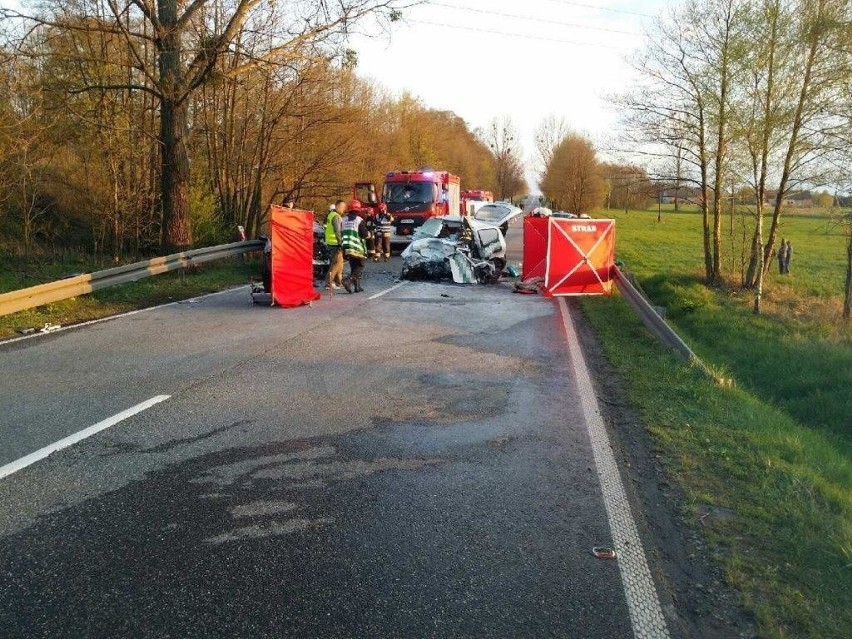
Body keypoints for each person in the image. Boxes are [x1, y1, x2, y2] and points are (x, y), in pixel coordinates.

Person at [341, 201, 369, 293]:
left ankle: (357, 287)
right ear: (358, 209)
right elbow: (364, 234)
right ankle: (348, 281)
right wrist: (369, 234)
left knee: (353, 265)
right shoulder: (359, 220)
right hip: (356, 247)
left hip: (346, 247)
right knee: (360, 265)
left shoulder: (343, 219)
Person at [324, 200, 346, 291]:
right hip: (336, 244)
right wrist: (341, 243)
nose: (343, 209)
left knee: (339, 263)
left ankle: (338, 282)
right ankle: (329, 283)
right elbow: (338, 232)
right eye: (342, 207)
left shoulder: (331, 215)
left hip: (331, 242)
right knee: (335, 264)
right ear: (337, 207)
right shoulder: (336, 217)